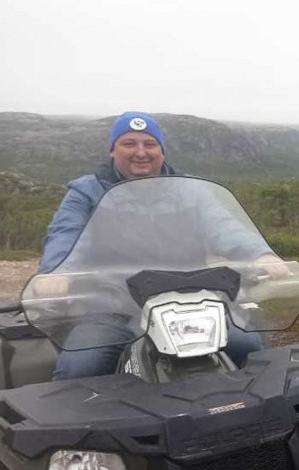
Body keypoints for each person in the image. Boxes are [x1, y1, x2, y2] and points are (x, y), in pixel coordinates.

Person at [38, 111, 284, 379]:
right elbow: (66, 234)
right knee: (80, 366)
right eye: (129, 143)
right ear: (112, 150)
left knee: (248, 346)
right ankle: (77, 420)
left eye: (150, 144)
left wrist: (260, 254)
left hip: (190, 300)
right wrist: (57, 271)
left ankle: (252, 416)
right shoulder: (87, 192)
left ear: (162, 151)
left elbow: (223, 226)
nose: (140, 152)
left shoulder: (190, 190)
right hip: (114, 307)